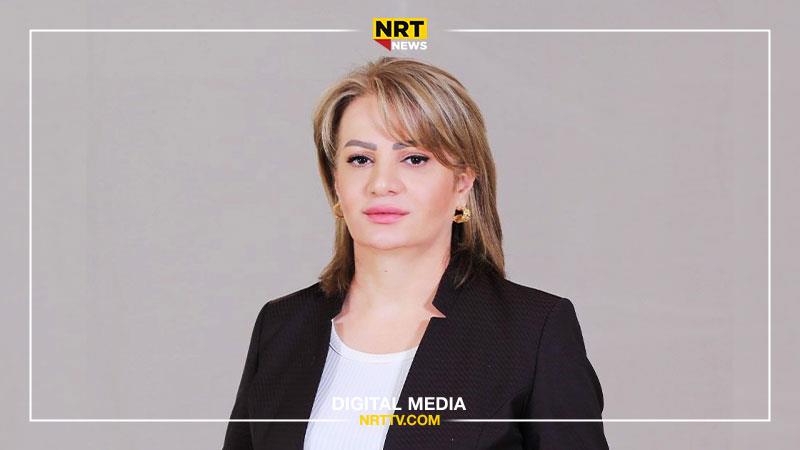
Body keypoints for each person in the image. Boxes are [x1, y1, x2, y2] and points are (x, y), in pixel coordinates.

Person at [222, 56, 609, 450]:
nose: (381, 183)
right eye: (360, 159)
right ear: (336, 183)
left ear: (462, 184)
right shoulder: (281, 326)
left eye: (414, 159)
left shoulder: (533, 332)